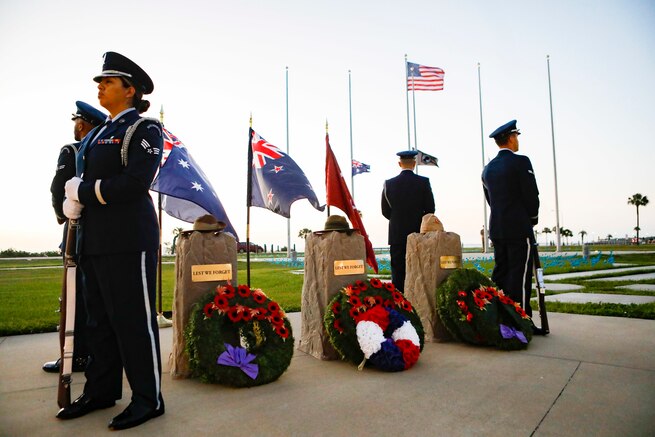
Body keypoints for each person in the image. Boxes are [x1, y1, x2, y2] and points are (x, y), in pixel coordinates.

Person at [56, 51, 165, 430]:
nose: (100, 86)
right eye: (100, 82)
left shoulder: (143, 129)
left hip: (128, 240)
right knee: (98, 322)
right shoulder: (99, 132)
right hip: (95, 240)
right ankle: (101, 391)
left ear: (130, 90)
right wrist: (73, 204)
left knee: (134, 322)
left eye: (108, 82)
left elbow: (136, 182)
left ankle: (148, 399)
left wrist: (84, 192)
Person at [43, 101, 106, 374]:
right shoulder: (107, 152)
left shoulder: (73, 150)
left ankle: (77, 354)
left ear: (81, 124)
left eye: (76, 122)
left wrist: (61, 215)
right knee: (98, 299)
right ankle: (97, 354)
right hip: (105, 234)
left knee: (76, 297)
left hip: (77, 232)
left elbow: (59, 187)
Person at [481, 119, 546, 335]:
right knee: (520, 276)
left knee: (500, 274)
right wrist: (532, 219)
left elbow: (490, 199)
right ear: (510, 137)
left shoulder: (487, 169)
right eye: (516, 136)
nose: (517, 140)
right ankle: (522, 321)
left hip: (498, 227)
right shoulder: (521, 162)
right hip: (518, 226)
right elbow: (531, 195)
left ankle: (500, 318)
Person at [381, 150, 435, 291]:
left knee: (398, 272)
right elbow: (430, 209)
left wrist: (398, 220)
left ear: (400, 164)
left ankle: (400, 302)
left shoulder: (389, 184)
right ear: (414, 163)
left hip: (396, 234)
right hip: (418, 233)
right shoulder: (423, 182)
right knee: (419, 269)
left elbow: (385, 211)